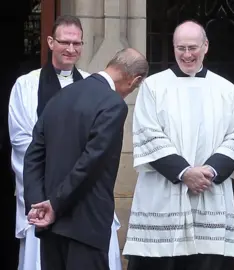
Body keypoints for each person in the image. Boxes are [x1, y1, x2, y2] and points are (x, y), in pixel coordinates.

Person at [122, 20, 234, 270]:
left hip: (209, 194)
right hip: (163, 197)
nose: (187, 55)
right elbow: (148, 135)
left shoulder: (226, 89)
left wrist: (208, 172)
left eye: (192, 47)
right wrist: (184, 173)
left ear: (206, 46)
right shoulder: (153, 87)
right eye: (180, 48)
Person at [8, 15, 122, 270]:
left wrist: (74, 181)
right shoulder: (26, 85)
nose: (71, 49)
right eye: (64, 42)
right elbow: (23, 143)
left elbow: (100, 146)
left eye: (77, 43)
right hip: (42, 193)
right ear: (50, 42)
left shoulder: (94, 85)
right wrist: (47, 195)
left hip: (85, 196)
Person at [22, 48, 149, 270]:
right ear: (134, 80)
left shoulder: (60, 96)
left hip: (50, 225)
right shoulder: (113, 104)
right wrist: (56, 204)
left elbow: (33, 154)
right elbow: (92, 161)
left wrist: (38, 204)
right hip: (86, 225)